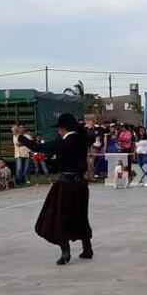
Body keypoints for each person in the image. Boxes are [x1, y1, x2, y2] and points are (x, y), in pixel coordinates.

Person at [18, 113, 94, 265]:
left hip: (66, 184)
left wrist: (22, 139)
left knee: (58, 217)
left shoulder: (65, 142)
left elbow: (40, 147)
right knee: (80, 215)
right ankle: (87, 248)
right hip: (81, 184)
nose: (58, 131)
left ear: (64, 128)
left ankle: (65, 252)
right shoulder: (82, 139)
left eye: (59, 129)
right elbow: (90, 136)